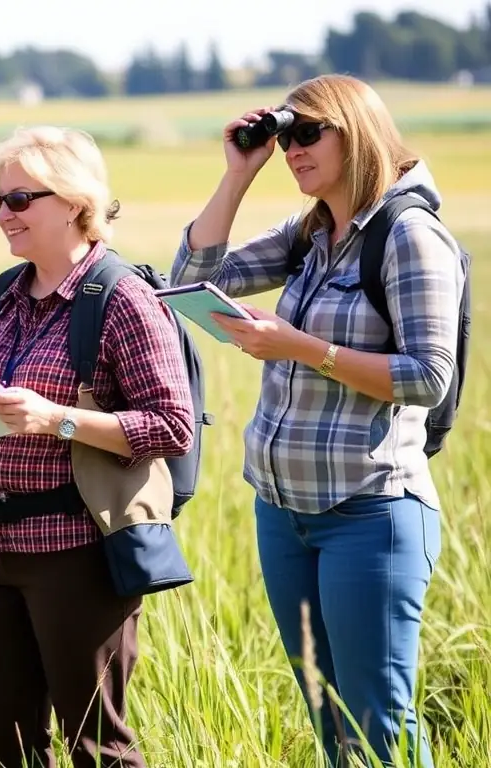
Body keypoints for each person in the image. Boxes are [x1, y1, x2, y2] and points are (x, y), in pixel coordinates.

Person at [169, 74, 464, 767]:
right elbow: (189, 275)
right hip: (284, 512)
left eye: (306, 133)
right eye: (283, 135)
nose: (291, 149)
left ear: (353, 131)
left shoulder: (407, 236)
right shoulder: (311, 235)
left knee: (377, 729)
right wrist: (239, 173)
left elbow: (428, 376)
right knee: (330, 724)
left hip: (371, 513)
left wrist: (301, 348)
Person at [0, 125, 196, 768]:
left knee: (95, 745)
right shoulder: (3, 295)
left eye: (20, 200)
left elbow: (171, 425)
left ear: (73, 202)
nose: (4, 215)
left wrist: (57, 419)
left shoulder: (120, 296)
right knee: (6, 743)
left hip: (75, 552)